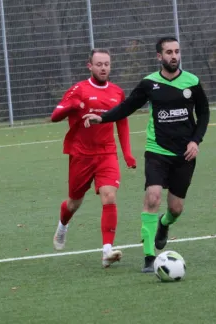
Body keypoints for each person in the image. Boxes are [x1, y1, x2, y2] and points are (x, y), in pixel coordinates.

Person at [83, 37, 210, 273]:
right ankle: (149, 257)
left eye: (177, 51)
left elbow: (204, 113)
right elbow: (127, 106)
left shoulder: (192, 82)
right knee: (152, 198)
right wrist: (102, 117)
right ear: (159, 57)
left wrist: (195, 140)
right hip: (157, 151)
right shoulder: (149, 84)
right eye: (169, 52)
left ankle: (164, 225)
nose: (174, 56)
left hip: (185, 154)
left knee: (175, 209)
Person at [50, 48, 137, 268]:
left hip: (106, 153)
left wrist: (126, 153)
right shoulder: (78, 90)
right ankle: (62, 225)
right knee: (74, 202)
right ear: (90, 66)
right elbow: (55, 116)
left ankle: (107, 251)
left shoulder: (117, 92)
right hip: (81, 154)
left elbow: (122, 121)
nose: (103, 68)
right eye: (99, 64)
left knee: (109, 196)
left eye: (107, 64)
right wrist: (75, 105)